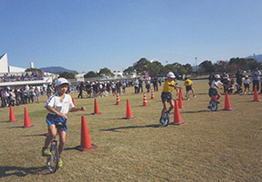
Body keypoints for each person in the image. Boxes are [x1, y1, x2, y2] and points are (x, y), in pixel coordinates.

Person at [42, 78, 86, 168]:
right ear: (57, 87)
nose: (64, 89)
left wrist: (80, 108)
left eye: (65, 87)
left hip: (62, 119)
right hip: (52, 117)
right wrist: (58, 113)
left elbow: (72, 108)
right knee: (53, 134)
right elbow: (47, 106)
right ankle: (45, 148)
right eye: (62, 87)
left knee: (63, 141)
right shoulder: (54, 97)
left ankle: (59, 157)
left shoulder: (68, 97)